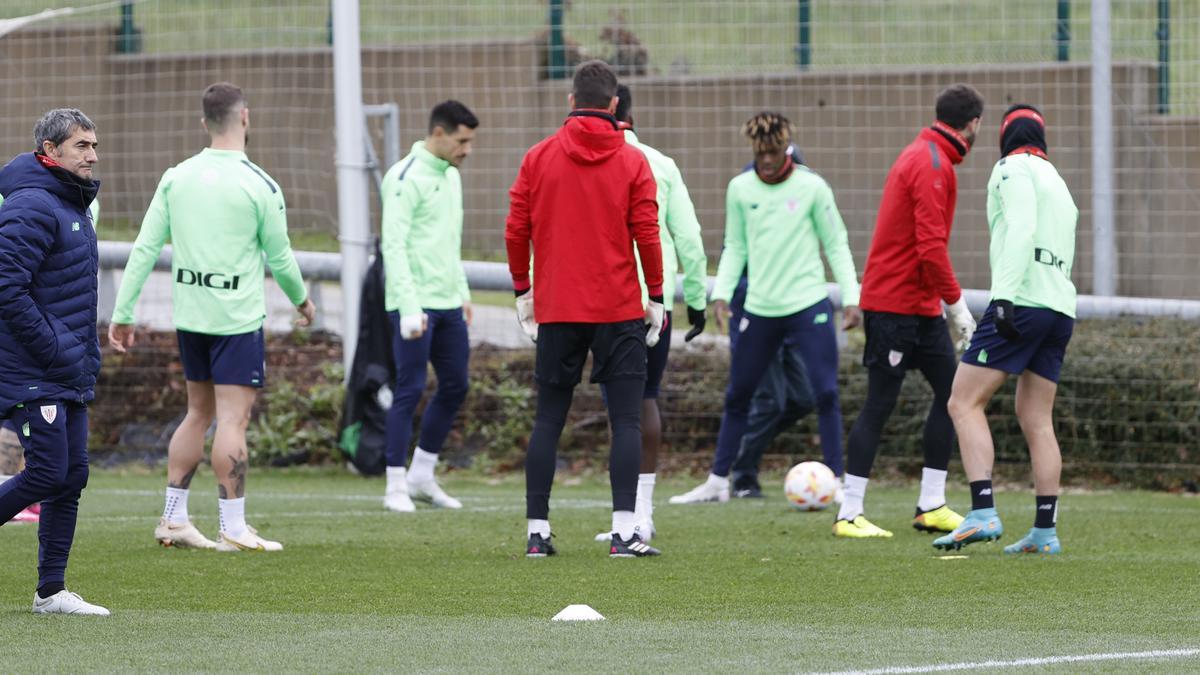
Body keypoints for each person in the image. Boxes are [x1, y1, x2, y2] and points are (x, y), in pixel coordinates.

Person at [109, 82, 315, 552]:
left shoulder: (176, 176)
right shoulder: (259, 184)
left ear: (205, 124)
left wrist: (123, 313)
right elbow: (280, 259)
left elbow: (144, 247)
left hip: (191, 318)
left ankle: (174, 519)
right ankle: (233, 528)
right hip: (235, 321)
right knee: (232, 421)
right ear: (246, 118)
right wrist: (302, 302)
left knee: (197, 413)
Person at [506, 60, 665, 558]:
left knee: (548, 419)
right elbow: (647, 232)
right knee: (627, 422)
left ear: (571, 101)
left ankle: (538, 533)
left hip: (557, 308)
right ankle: (623, 533)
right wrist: (656, 295)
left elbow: (516, 229)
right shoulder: (634, 161)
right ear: (614, 105)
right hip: (617, 308)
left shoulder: (538, 157)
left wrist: (522, 289)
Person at [671, 112, 861, 505]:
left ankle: (840, 483)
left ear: (785, 148)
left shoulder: (813, 187)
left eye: (774, 152)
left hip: (808, 305)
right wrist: (720, 293)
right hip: (759, 309)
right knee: (738, 395)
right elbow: (735, 245)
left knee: (825, 393)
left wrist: (853, 297)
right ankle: (718, 481)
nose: (768, 161)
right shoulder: (740, 189)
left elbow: (837, 243)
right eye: (761, 154)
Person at [834, 84, 984, 539]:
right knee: (880, 402)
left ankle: (931, 503)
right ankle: (849, 512)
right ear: (973, 124)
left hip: (918, 308)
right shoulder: (931, 164)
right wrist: (957, 304)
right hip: (893, 307)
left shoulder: (930, 156)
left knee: (955, 395)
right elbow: (929, 246)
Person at [935, 104, 1077, 555]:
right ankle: (1045, 532)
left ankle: (982, 512)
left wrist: (1004, 297)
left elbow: (1020, 227)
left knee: (962, 401)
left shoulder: (1011, 168)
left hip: (1024, 300)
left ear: (1005, 138)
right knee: (1036, 419)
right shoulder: (1059, 183)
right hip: (1060, 307)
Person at [0, 108, 109, 614]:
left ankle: (51, 592)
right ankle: (50, 590)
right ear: (50, 151)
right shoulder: (32, 205)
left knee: (72, 475)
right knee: (46, 473)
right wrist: (54, 347)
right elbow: (6, 287)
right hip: (34, 370)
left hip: (67, 368)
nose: (92, 154)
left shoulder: (74, 205)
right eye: (80, 146)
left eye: (93, 145)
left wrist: (77, 353)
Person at [589, 84, 708, 542]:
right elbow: (690, 238)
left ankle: (630, 517)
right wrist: (694, 298)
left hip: (604, 302)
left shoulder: (588, 162)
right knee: (644, 400)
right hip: (653, 302)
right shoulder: (661, 164)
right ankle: (639, 514)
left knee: (622, 408)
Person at [379, 101, 477, 513]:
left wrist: (464, 292)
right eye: (462, 140)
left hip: (448, 302)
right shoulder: (403, 177)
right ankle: (394, 485)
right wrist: (408, 307)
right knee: (411, 388)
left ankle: (422, 475)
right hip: (413, 304)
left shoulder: (450, 177)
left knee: (456, 385)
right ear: (438, 133)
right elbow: (394, 246)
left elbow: (447, 242)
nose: (467, 149)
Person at [726, 147, 817, 500]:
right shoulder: (751, 215)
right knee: (771, 401)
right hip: (757, 321)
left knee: (803, 397)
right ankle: (741, 474)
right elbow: (738, 269)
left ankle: (737, 456)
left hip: (791, 322)